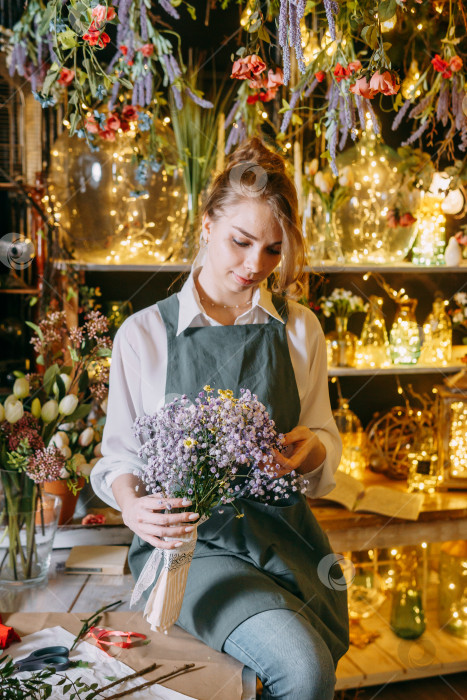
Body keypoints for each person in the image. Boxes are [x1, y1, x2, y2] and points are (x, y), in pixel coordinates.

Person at [91, 136, 349, 699]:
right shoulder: (144, 334)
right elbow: (118, 459)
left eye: (274, 251)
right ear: (207, 223)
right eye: (241, 241)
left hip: (285, 540)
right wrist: (134, 506)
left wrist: (314, 449)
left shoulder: (300, 330)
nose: (255, 265)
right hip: (191, 550)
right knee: (302, 669)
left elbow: (324, 435)